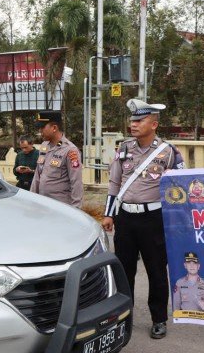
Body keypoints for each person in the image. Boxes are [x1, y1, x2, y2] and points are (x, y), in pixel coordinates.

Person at [101, 99, 185, 339]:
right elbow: (115, 183)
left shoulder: (168, 152)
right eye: (132, 120)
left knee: (156, 271)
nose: (133, 124)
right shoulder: (124, 148)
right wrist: (109, 213)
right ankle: (123, 317)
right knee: (123, 270)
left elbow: (181, 187)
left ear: (154, 124)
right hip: (126, 218)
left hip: (154, 219)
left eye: (139, 120)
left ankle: (159, 319)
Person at [30, 110, 83, 207]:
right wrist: (32, 199)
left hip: (60, 207)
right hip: (43, 204)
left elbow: (76, 182)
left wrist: (76, 209)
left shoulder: (70, 150)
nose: (40, 131)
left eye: (42, 127)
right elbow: (37, 176)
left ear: (54, 128)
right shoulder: (44, 146)